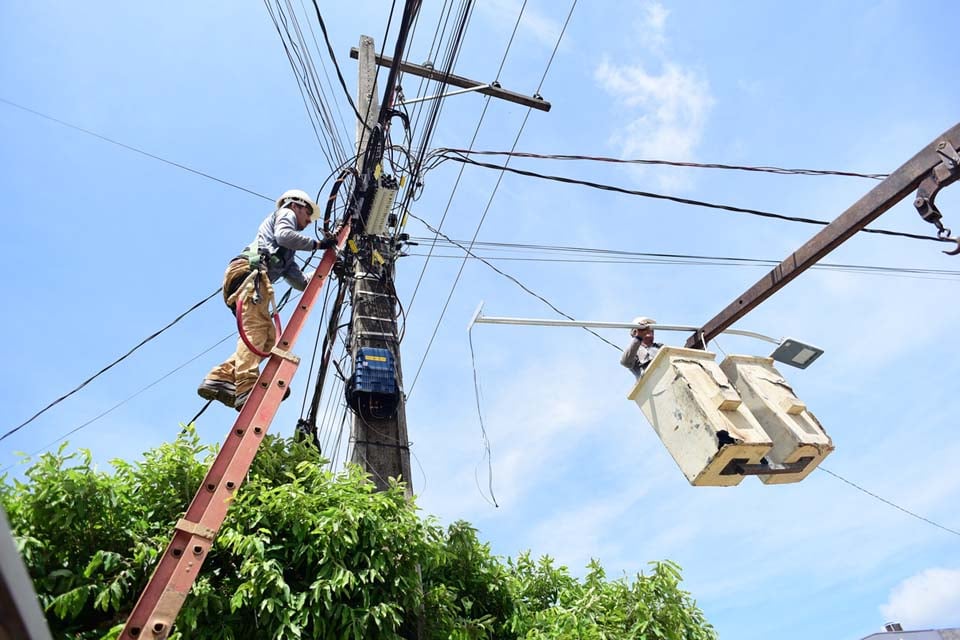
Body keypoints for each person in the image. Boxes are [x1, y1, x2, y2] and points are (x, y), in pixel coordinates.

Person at [197, 189, 336, 410]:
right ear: (296, 205)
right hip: (249, 274)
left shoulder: (286, 256)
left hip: (251, 280)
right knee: (257, 330)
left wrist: (327, 268)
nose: (309, 220)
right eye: (308, 213)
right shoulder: (285, 214)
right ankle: (246, 385)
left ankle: (220, 377)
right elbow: (284, 235)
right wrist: (318, 245)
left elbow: (300, 283)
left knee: (268, 339)